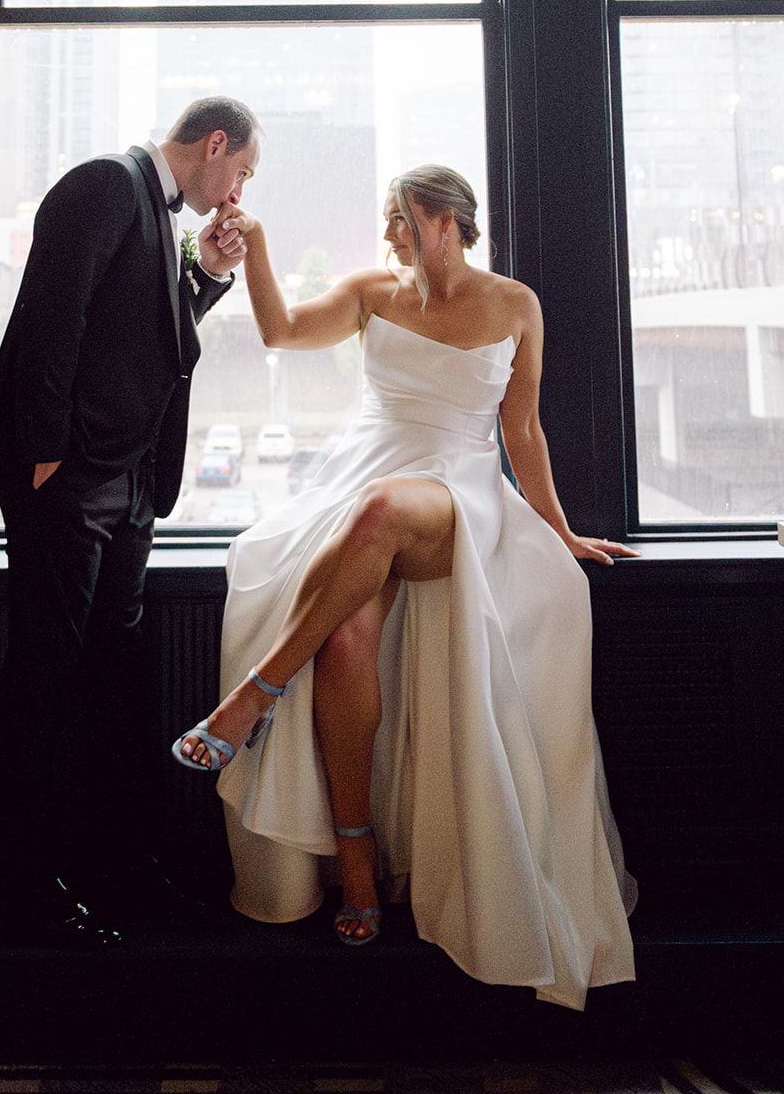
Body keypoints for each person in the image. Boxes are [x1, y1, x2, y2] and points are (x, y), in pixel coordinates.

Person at [173, 164, 638, 1010]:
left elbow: (521, 429)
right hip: (358, 480)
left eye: (402, 218)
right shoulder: (370, 292)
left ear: (450, 220)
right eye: (386, 218)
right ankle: (355, 866)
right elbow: (277, 332)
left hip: (452, 489)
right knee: (346, 637)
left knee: (386, 511)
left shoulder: (514, 304)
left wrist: (560, 530)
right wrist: (261, 249)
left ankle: (250, 696)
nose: (389, 233)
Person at [0, 96, 261, 947]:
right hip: (69, 477)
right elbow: (52, 321)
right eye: (241, 170)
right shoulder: (103, 184)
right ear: (214, 145)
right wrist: (47, 454)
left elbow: (149, 341)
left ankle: (118, 867)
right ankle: (22, 885)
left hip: (127, 484)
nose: (238, 189)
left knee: (117, 681)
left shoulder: (163, 219)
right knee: (44, 677)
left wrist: (201, 276)